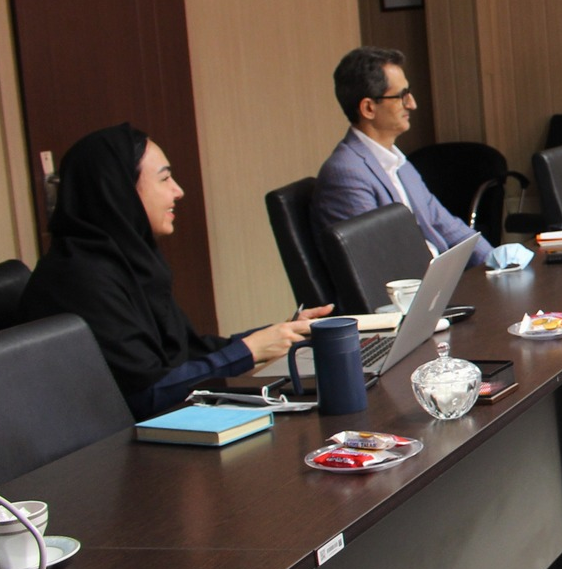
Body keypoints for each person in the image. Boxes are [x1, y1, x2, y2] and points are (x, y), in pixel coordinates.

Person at [18, 124, 330, 419]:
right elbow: (146, 395)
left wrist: (280, 333)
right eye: (165, 179)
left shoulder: (129, 259)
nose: (178, 191)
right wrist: (249, 350)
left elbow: (186, 352)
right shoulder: (80, 279)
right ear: (119, 190)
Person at [313, 48, 533, 271]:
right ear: (369, 108)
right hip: (412, 288)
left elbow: (446, 225)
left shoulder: (399, 162)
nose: (412, 104)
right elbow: (377, 262)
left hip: (437, 279)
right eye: (401, 96)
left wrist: (493, 259)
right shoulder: (346, 174)